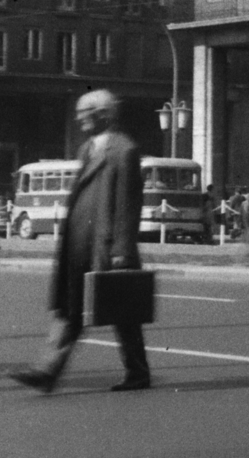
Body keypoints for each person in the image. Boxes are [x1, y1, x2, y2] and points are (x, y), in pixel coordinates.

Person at [9, 90, 151, 394]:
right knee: (71, 309)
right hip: (78, 245)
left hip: (106, 245)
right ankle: (47, 370)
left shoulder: (124, 150)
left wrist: (122, 252)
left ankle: (138, 373)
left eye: (84, 112)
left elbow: (128, 205)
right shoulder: (87, 148)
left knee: (122, 312)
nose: (78, 118)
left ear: (104, 114)